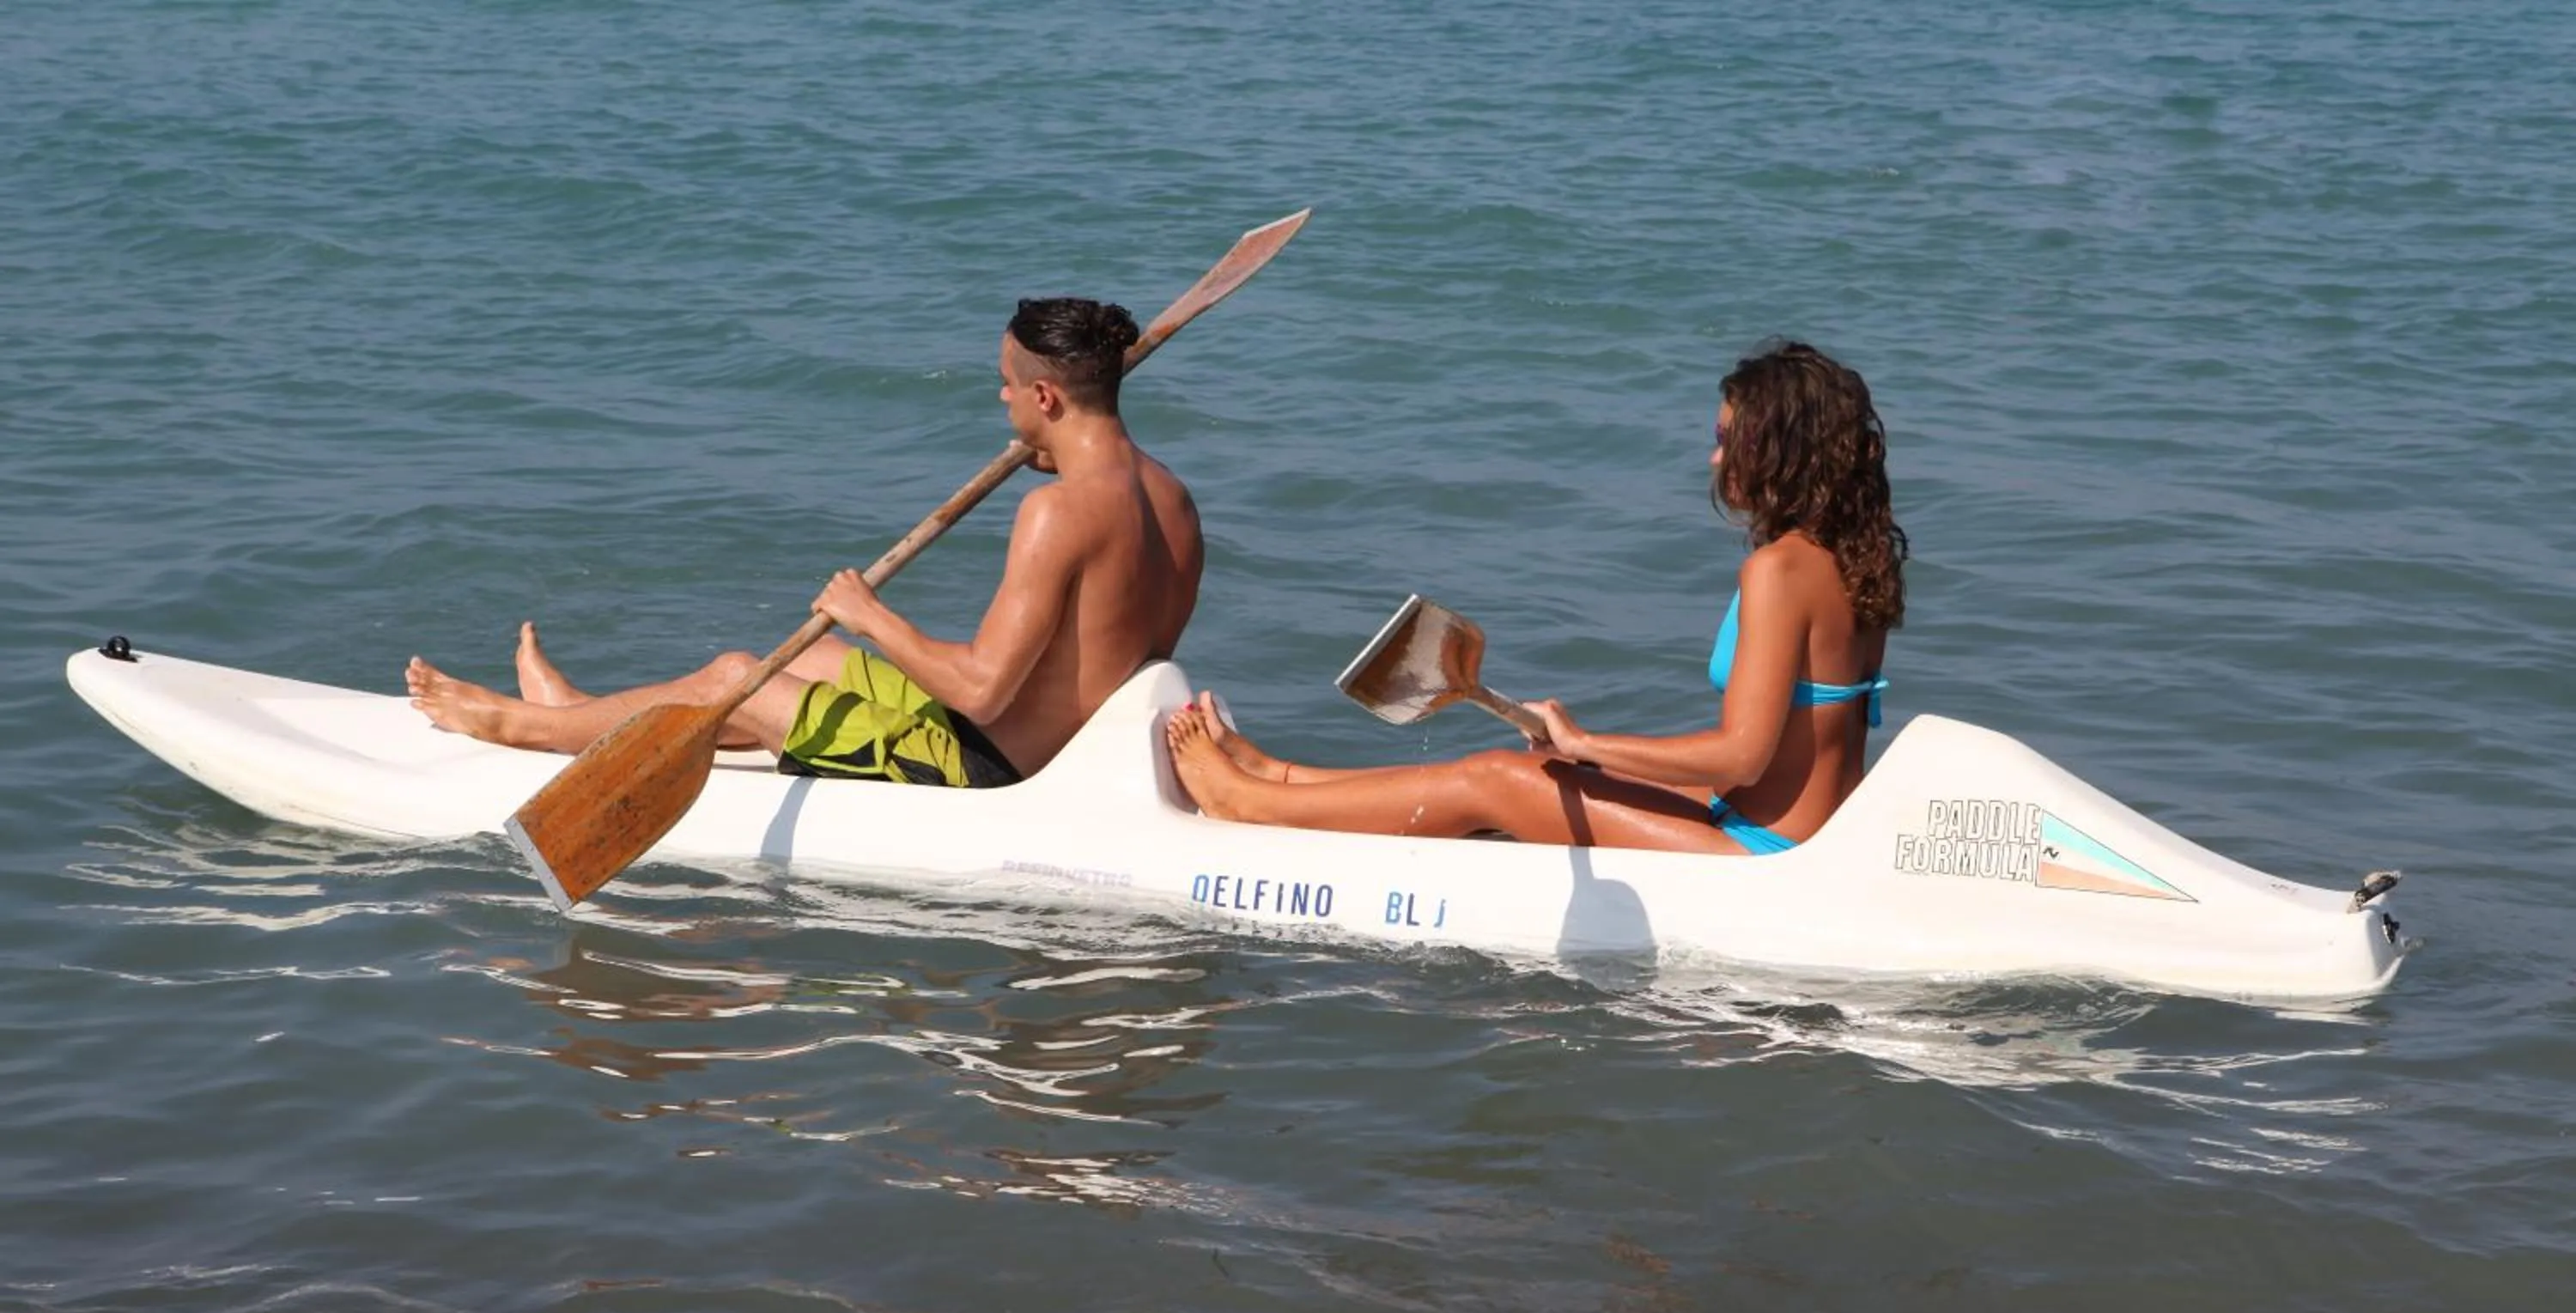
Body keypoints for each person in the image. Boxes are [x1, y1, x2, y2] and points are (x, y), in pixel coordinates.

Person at [406, 296, 1204, 787]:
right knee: (797, 662)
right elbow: (1092, 646)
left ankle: (514, 726)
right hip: (1051, 740)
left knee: (738, 682)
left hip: (983, 761)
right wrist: (1053, 451)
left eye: (1007, 384)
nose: (1000, 398)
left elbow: (985, 692)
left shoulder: (1057, 512)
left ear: (1045, 395)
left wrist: (870, 616)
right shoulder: (1172, 499)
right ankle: (585, 715)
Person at [1166, 339, 1905, 854]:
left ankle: (1249, 805)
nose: (1714, 457)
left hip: (1758, 848)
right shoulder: (1855, 561)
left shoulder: (1777, 571)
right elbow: (1781, 757)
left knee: (1497, 778)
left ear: (1776, 451)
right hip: (1788, 829)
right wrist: (1595, 762)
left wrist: (1585, 741)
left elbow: (1741, 755)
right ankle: (1281, 776)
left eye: (1725, 439)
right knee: (1548, 774)